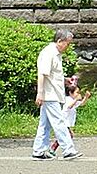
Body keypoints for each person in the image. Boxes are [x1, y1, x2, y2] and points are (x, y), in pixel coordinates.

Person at [32, 29, 82, 160]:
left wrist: (65, 80)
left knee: (45, 124)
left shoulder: (56, 54)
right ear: (59, 41)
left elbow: (52, 74)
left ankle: (38, 150)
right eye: (67, 43)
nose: (68, 46)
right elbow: (42, 74)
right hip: (50, 94)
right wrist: (40, 93)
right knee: (59, 122)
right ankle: (68, 150)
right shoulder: (49, 53)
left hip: (53, 93)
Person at [51, 77, 91, 152]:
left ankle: (54, 149)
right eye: (77, 93)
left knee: (66, 136)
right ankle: (66, 150)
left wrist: (86, 97)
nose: (78, 94)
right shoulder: (68, 99)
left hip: (66, 122)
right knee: (68, 135)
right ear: (70, 93)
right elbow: (69, 106)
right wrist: (76, 99)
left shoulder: (73, 100)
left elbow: (81, 104)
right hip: (63, 121)